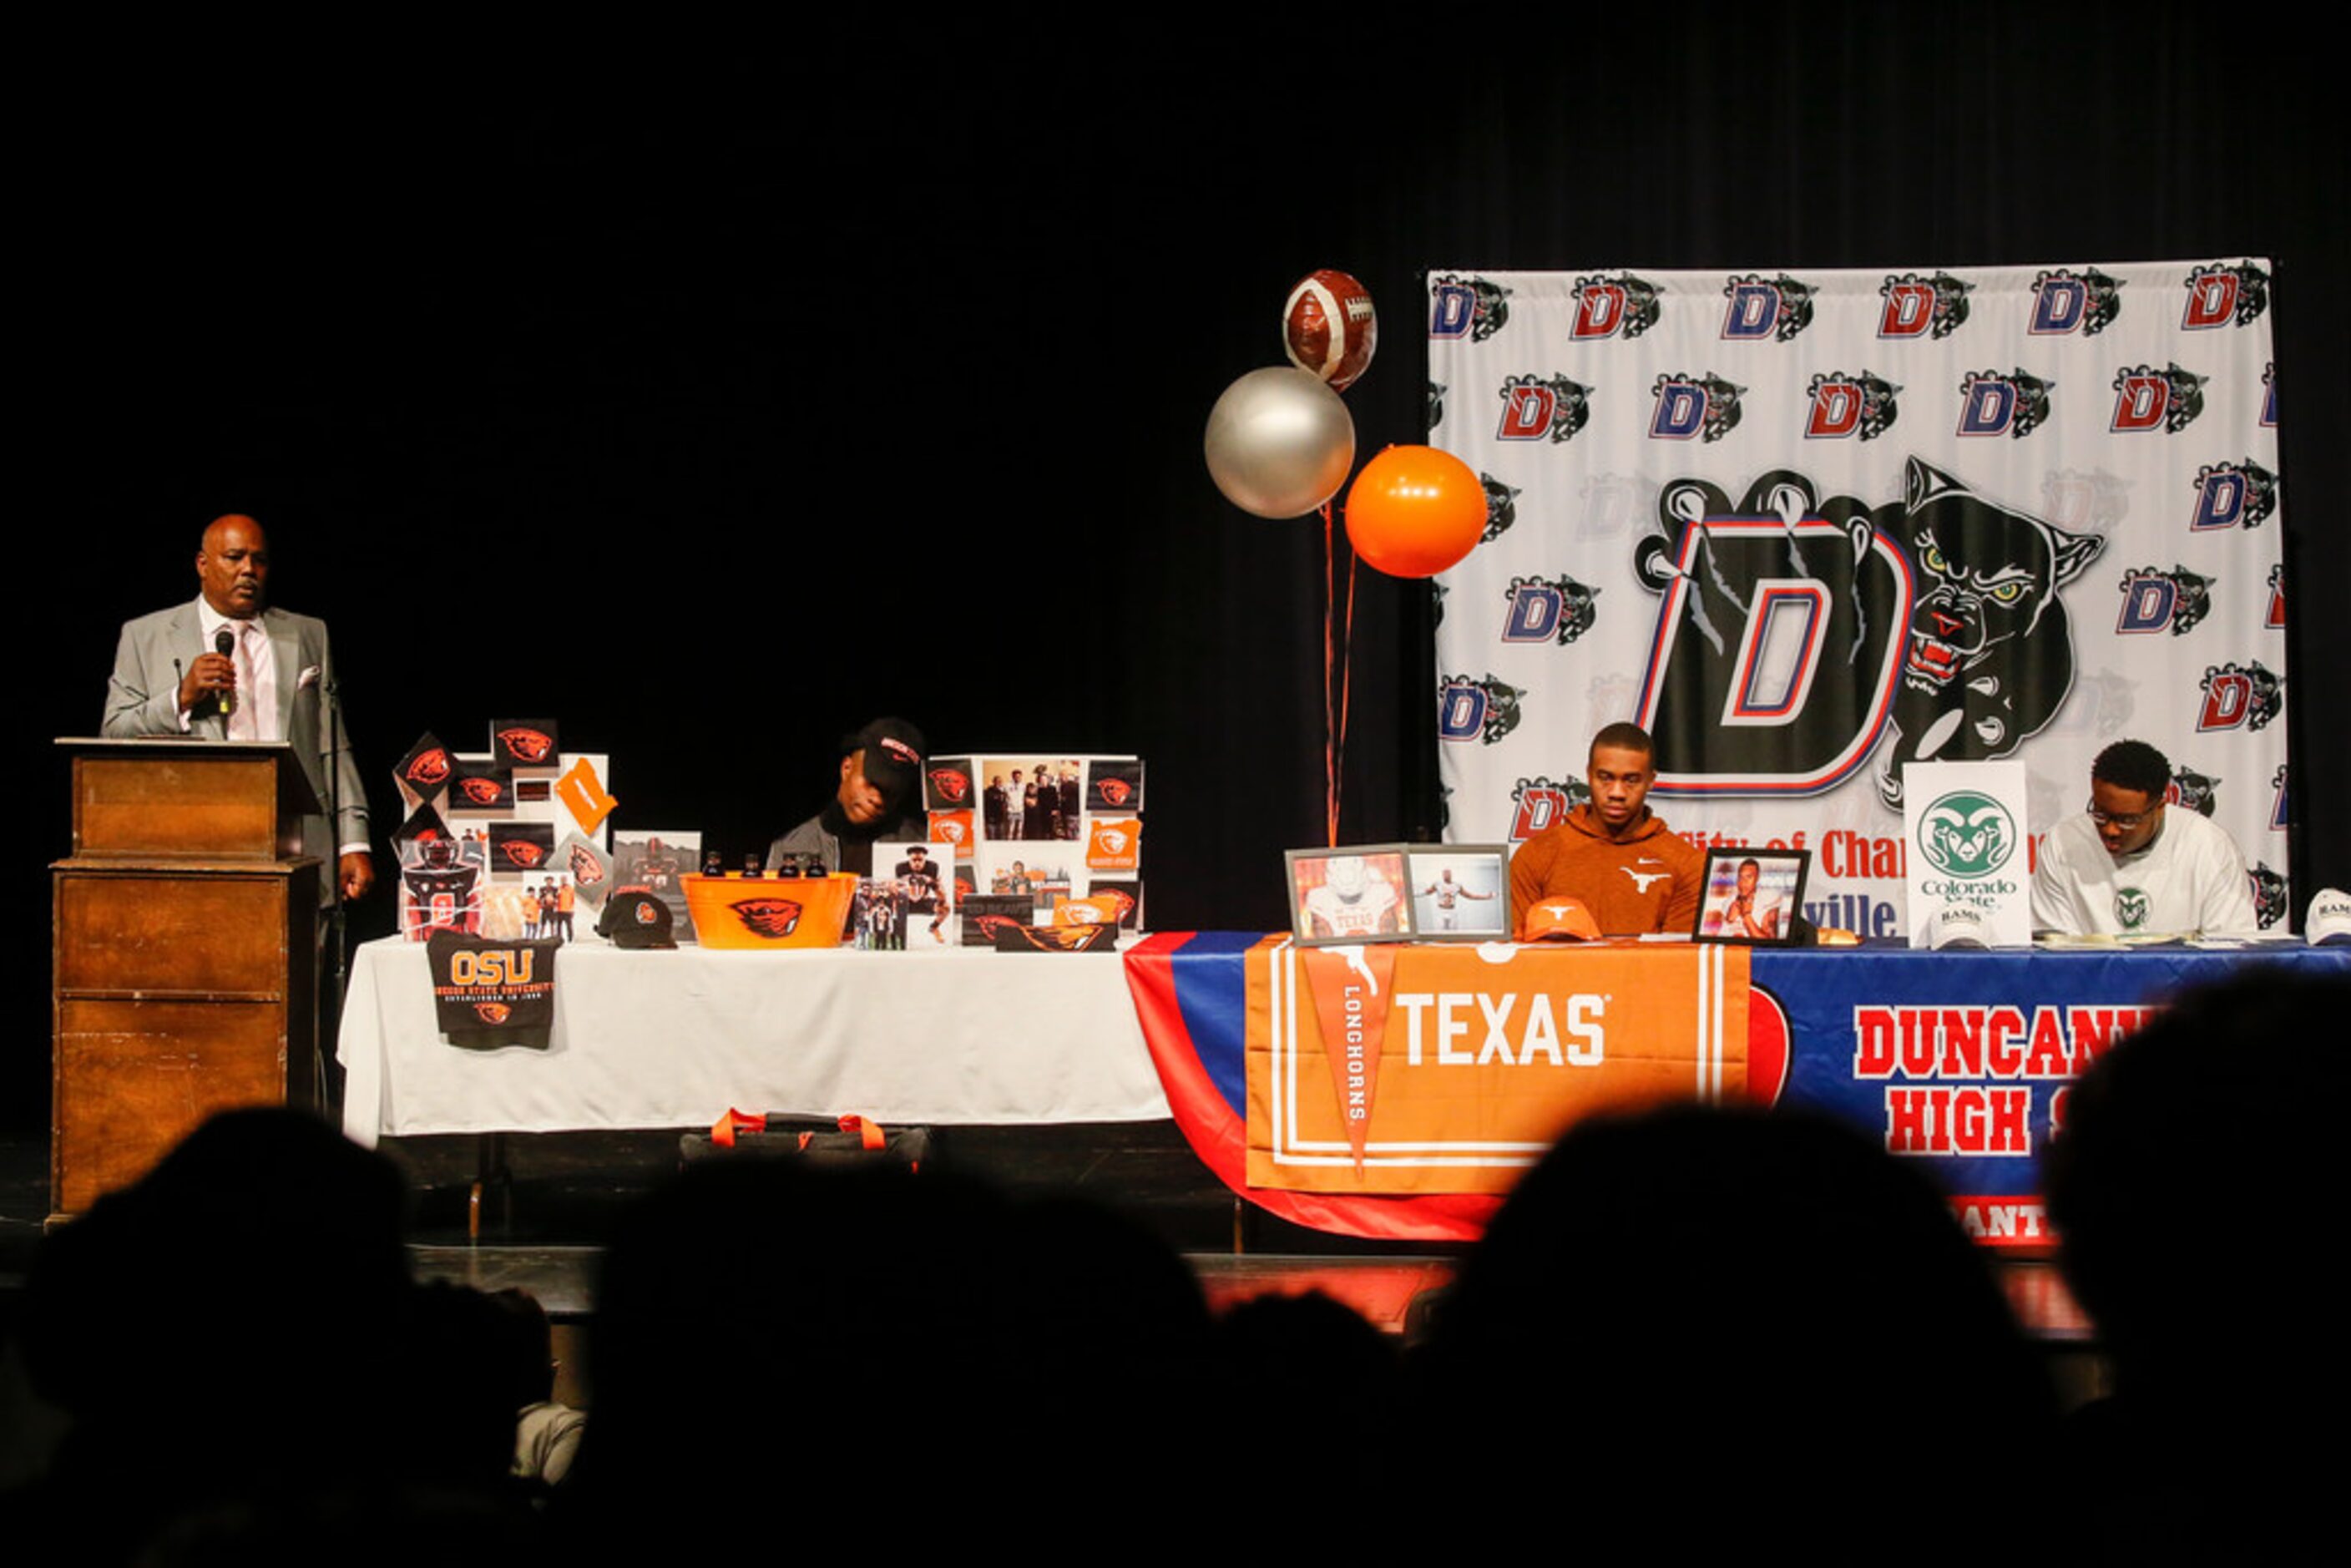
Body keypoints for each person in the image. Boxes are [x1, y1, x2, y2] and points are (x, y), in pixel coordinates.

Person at [103, 514, 374, 903]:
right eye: (234, 557)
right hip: (193, 842)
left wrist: (353, 842)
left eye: (259, 560)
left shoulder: (308, 633)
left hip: (295, 842)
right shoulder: (145, 636)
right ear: (203, 564)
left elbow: (332, 745)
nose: (249, 570)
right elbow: (114, 731)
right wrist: (180, 697)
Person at [2030, 738, 2255, 937]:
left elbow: (2230, 952)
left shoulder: (2209, 846)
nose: (2110, 830)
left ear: (2160, 807)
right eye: (2100, 814)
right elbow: (2055, 954)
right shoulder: (2062, 843)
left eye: (2127, 820)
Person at [1507, 722, 1702, 937]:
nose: (1617, 792)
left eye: (1631, 780)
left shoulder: (1686, 863)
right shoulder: (1537, 855)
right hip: (1560, 971)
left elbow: (1680, 959)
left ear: (1650, 781)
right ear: (1589, 774)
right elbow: (1518, 953)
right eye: (1606, 778)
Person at [768, 717, 930, 876]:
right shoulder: (790, 848)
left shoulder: (926, 846)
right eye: (872, 783)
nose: (877, 800)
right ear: (846, 768)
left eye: (892, 792)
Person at [1714, 857, 1782, 939]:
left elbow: (1770, 944)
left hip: (1754, 951)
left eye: (1748, 877)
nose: (1743, 882)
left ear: (1757, 878)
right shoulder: (1728, 902)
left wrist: (1747, 916)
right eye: (1740, 877)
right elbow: (1718, 940)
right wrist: (1728, 921)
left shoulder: (1769, 899)